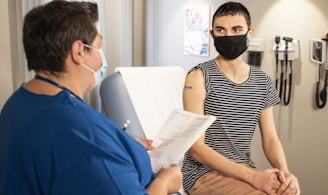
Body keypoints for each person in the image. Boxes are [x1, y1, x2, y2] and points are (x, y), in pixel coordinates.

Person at [0, 1, 181, 195]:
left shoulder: (17, 103)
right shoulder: (83, 131)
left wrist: (121, 143)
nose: (101, 58)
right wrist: (164, 183)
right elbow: (82, 144)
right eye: (98, 47)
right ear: (78, 51)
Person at [181, 2, 300, 195]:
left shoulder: (263, 82)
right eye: (221, 30)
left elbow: (270, 139)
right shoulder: (198, 77)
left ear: (249, 33)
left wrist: (285, 175)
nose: (228, 36)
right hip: (203, 173)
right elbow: (195, 148)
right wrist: (253, 177)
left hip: (243, 170)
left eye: (236, 29)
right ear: (212, 35)